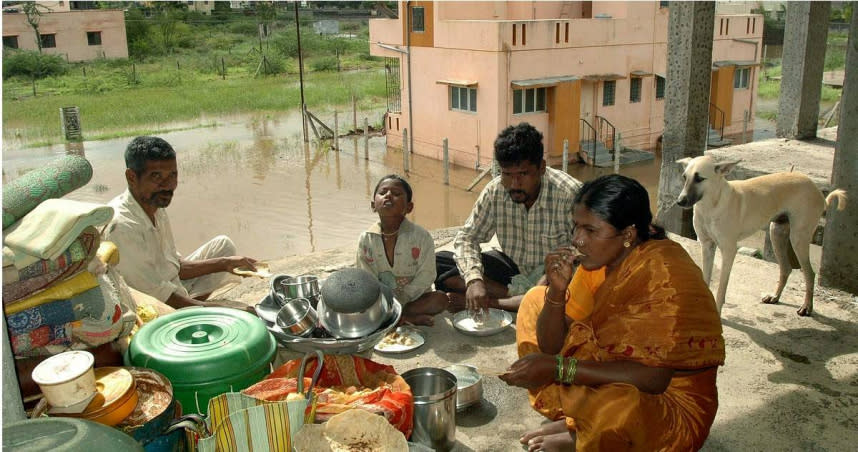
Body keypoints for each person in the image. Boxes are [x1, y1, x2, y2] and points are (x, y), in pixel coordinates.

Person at [500, 174, 725, 451]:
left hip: (669, 405)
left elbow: (653, 379)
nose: (577, 240)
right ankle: (579, 420)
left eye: (590, 231)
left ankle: (584, 432)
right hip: (622, 375)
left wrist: (558, 368)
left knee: (617, 408)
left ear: (628, 234)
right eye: (576, 227)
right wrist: (557, 292)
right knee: (536, 300)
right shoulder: (598, 263)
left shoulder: (663, 274)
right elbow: (551, 346)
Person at [435, 122, 582, 312]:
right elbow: (467, 237)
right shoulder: (496, 191)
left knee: (576, 290)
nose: (514, 184)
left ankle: (494, 303)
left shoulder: (570, 194)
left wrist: (550, 277)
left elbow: (584, 252)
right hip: (512, 273)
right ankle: (515, 299)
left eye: (523, 174)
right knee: (440, 262)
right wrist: (474, 280)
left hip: (554, 276)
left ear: (541, 168)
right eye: (506, 174)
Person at [104, 136, 257, 312]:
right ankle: (191, 312)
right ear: (131, 177)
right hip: (150, 306)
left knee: (224, 246)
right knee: (242, 315)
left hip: (169, 287)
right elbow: (157, 297)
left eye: (173, 175)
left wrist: (226, 263)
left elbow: (176, 267)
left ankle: (193, 308)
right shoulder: (122, 227)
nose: (168, 185)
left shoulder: (155, 205)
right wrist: (220, 310)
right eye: (156, 176)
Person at [356, 175, 448, 326]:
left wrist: (403, 298)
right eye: (383, 192)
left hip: (414, 299)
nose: (388, 195)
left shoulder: (421, 236)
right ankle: (405, 319)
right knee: (354, 300)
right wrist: (383, 300)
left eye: (397, 194)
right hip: (381, 300)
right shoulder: (366, 239)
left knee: (440, 300)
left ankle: (393, 318)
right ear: (373, 205)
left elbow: (427, 275)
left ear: (409, 207)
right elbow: (366, 277)